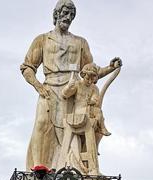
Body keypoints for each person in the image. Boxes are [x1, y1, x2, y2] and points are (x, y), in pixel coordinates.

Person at [20, 0, 122, 170]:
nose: (67, 17)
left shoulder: (80, 42)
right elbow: (27, 67)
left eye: (71, 15)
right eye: (65, 13)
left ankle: (67, 169)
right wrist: (38, 86)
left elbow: (92, 71)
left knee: (72, 131)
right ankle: (38, 168)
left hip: (73, 92)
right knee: (42, 123)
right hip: (49, 88)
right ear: (56, 14)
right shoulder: (42, 39)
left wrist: (111, 68)